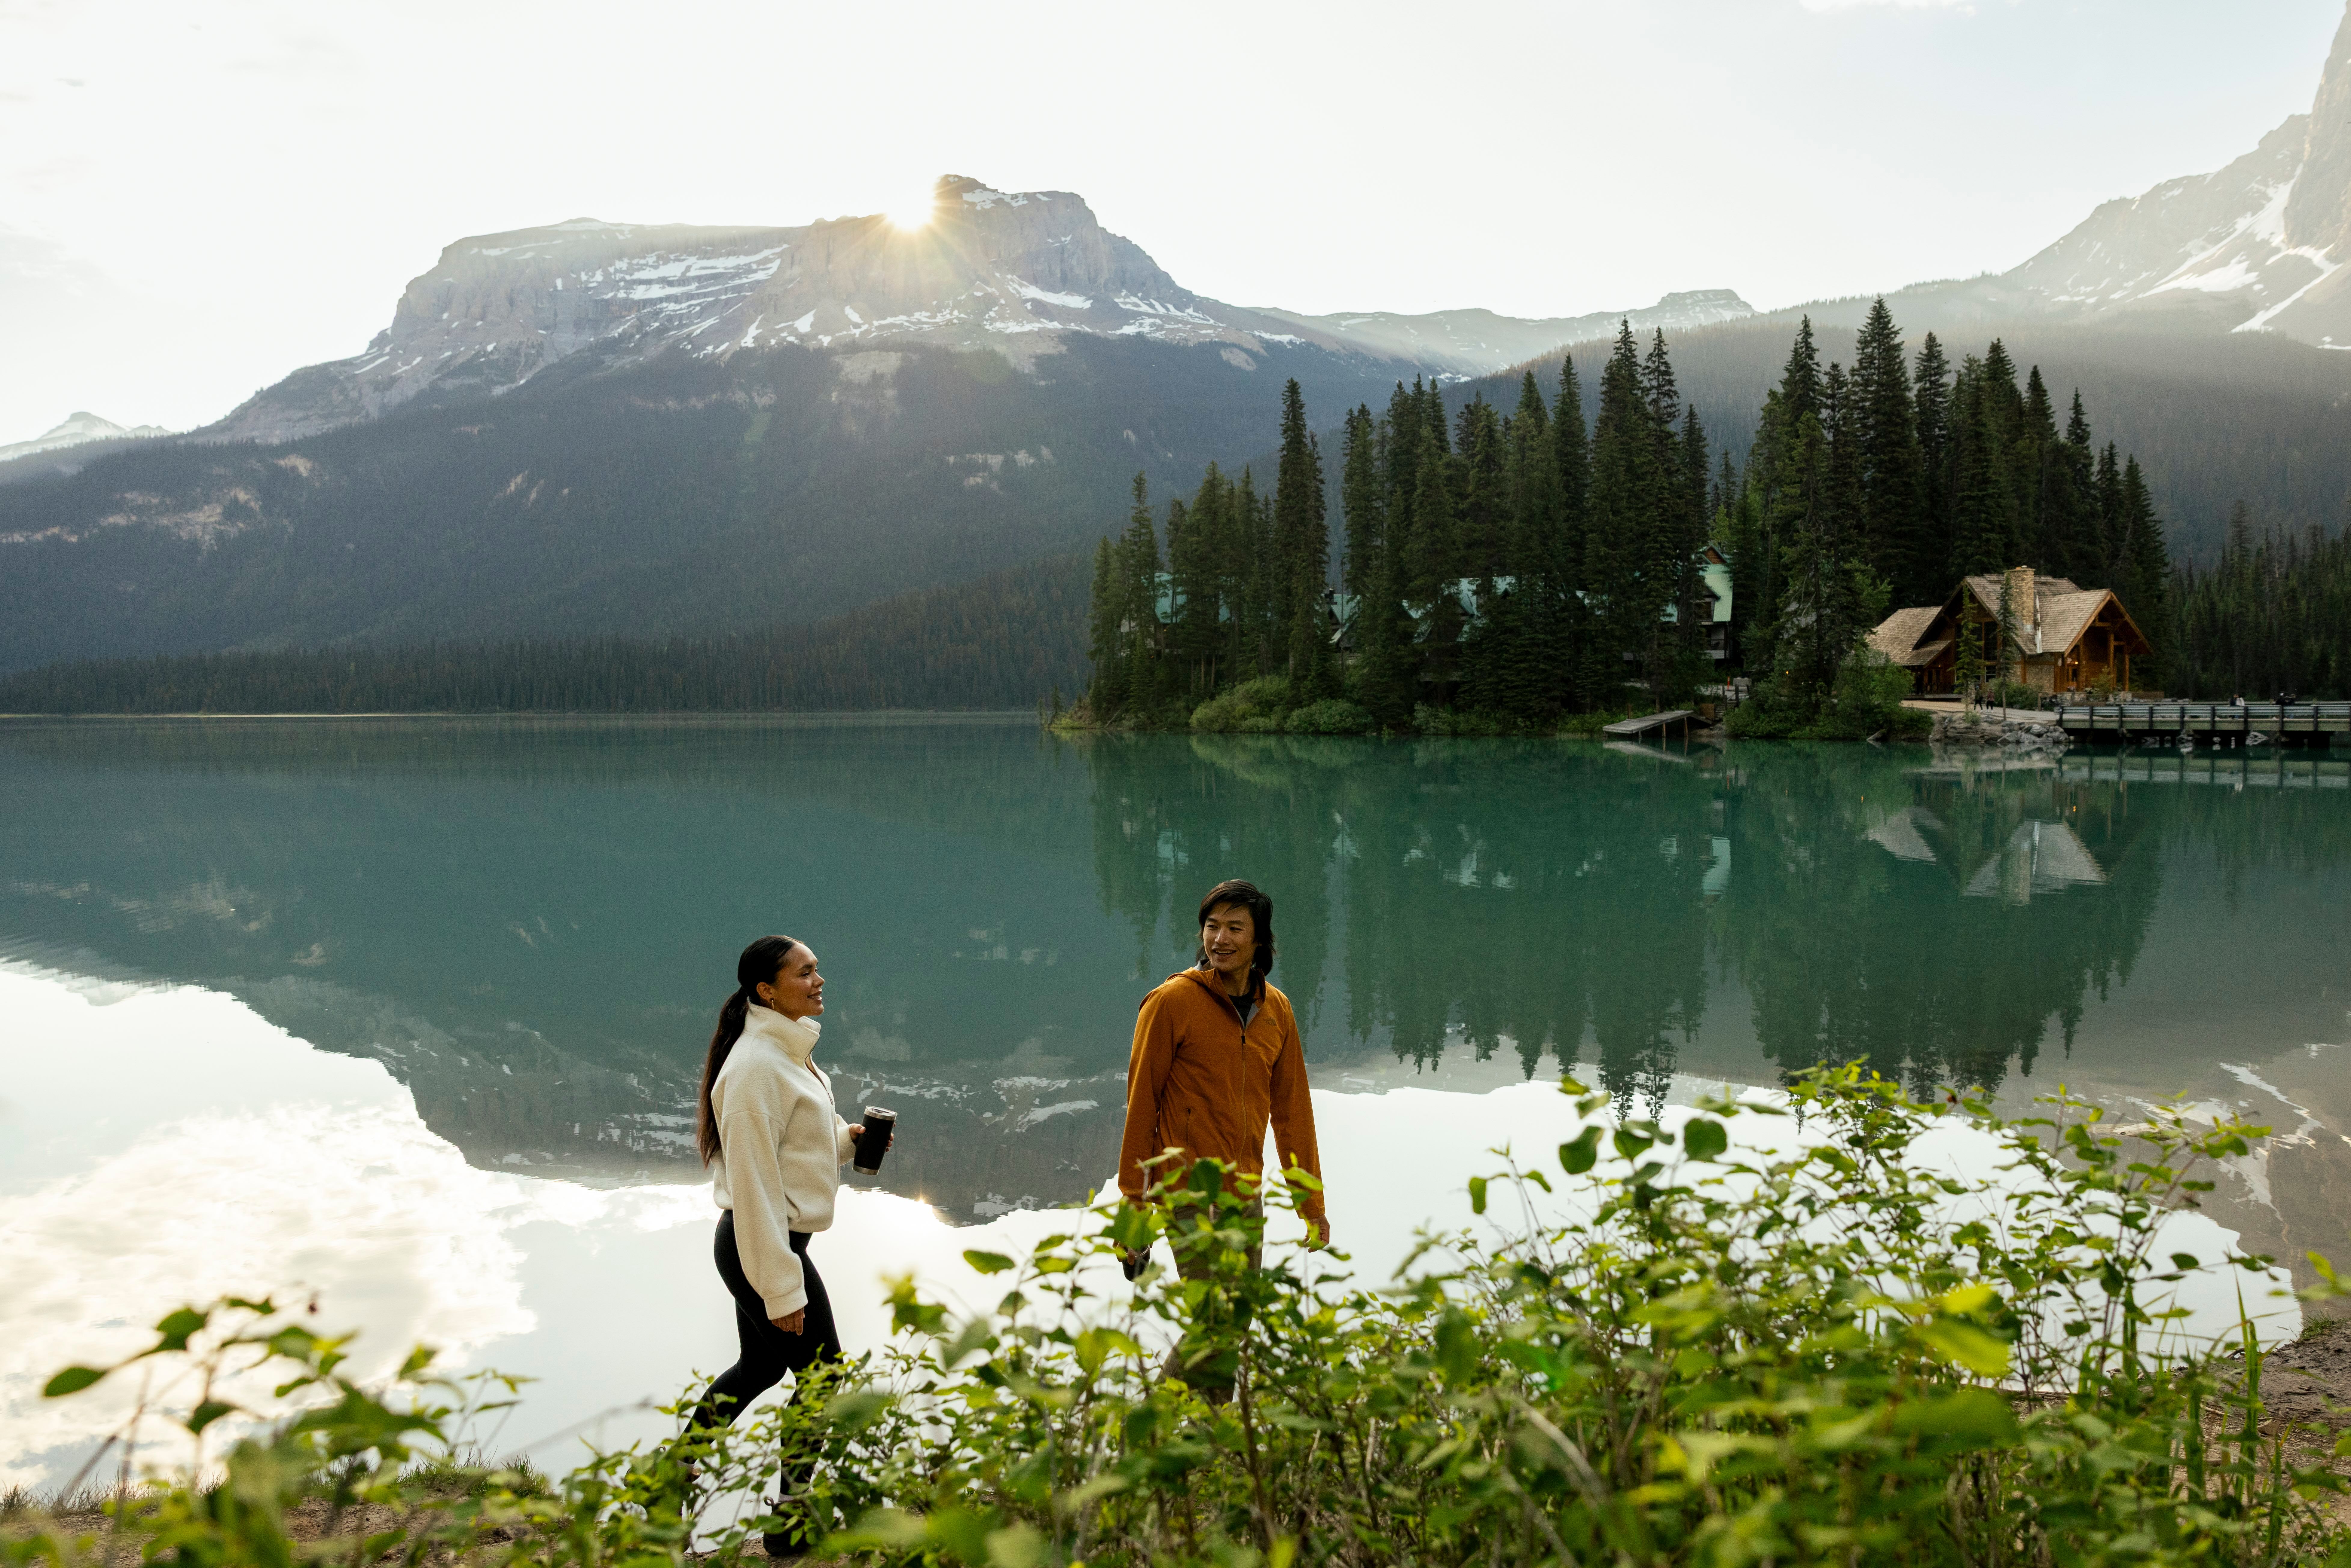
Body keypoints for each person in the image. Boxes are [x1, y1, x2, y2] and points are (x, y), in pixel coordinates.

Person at [685, 935, 886, 1554]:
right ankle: (789, 1526)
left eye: (818, 969)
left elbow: (793, 1145)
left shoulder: (785, 1053)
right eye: (805, 973)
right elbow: (754, 1187)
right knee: (824, 1379)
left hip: (769, 1239)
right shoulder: (753, 1068)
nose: (819, 980)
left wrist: (847, 1139)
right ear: (766, 990)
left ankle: (670, 1481)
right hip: (761, 1243)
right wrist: (780, 1286)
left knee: (763, 1366)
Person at [1116, 879, 1327, 1324]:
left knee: (1234, 1324)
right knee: (1215, 1327)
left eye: (1235, 927)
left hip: (1245, 1192)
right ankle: (1166, 1399)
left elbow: (1292, 1116)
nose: (1220, 939)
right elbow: (1141, 1104)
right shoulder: (1172, 1002)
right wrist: (1133, 1204)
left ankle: (1181, 1398)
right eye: (1212, 926)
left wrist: (1311, 1204)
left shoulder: (1277, 1011)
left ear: (1259, 939)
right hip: (1188, 1189)